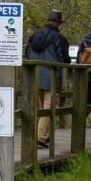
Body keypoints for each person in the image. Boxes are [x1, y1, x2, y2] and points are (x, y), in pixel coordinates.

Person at [25, 10, 70, 149]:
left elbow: (26, 53)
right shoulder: (60, 39)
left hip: (34, 74)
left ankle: (45, 135)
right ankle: (40, 138)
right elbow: (65, 60)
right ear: (58, 23)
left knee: (40, 108)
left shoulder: (34, 35)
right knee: (48, 107)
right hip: (51, 76)